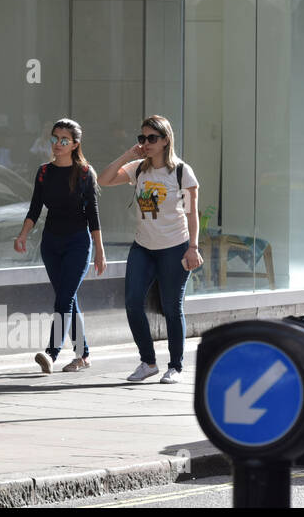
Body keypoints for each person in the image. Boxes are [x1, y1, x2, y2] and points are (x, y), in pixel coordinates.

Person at [97, 114, 201, 384]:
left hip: (174, 247)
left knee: (171, 307)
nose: (146, 143)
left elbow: (192, 214)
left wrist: (193, 247)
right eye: (142, 138)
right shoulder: (138, 168)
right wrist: (127, 155)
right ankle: (148, 362)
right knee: (132, 302)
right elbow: (104, 180)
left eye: (152, 138)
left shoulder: (181, 171)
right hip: (143, 247)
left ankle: (175, 366)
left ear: (166, 140)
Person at [14, 118, 106, 373]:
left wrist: (99, 250)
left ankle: (51, 353)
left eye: (63, 140)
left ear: (75, 144)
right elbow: (35, 208)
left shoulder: (85, 173)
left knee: (63, 299)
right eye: (54, 139)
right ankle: (83, 354)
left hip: (78, 242)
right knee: (68, 298)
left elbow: (93, 214)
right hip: (51, 244)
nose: (57, 144)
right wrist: (22, 235)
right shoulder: (44, 172)